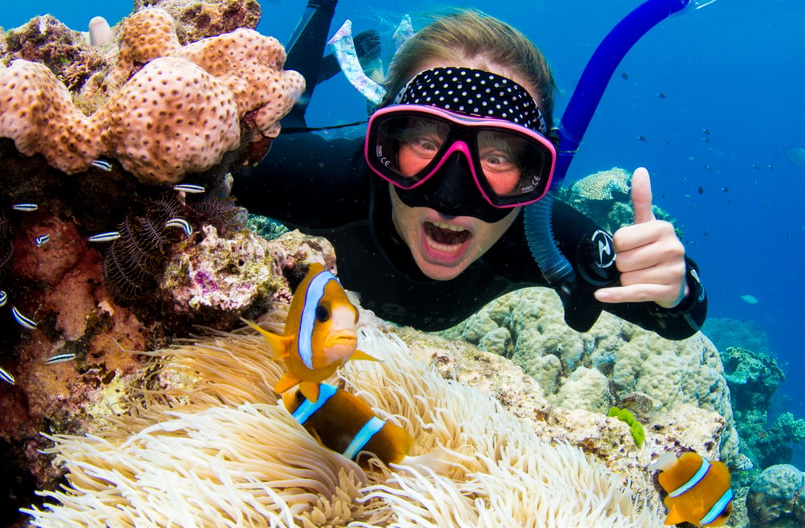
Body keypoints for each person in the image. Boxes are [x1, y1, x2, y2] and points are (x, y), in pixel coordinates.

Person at [232, 4, 707, 339]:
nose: (451, 195)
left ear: (536, 171)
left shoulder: (542, 236)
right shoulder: (325, 180)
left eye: (497, 158)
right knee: (279, 118)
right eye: (424, 142)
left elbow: (681, 321)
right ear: (385, 143)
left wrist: (676, 287)